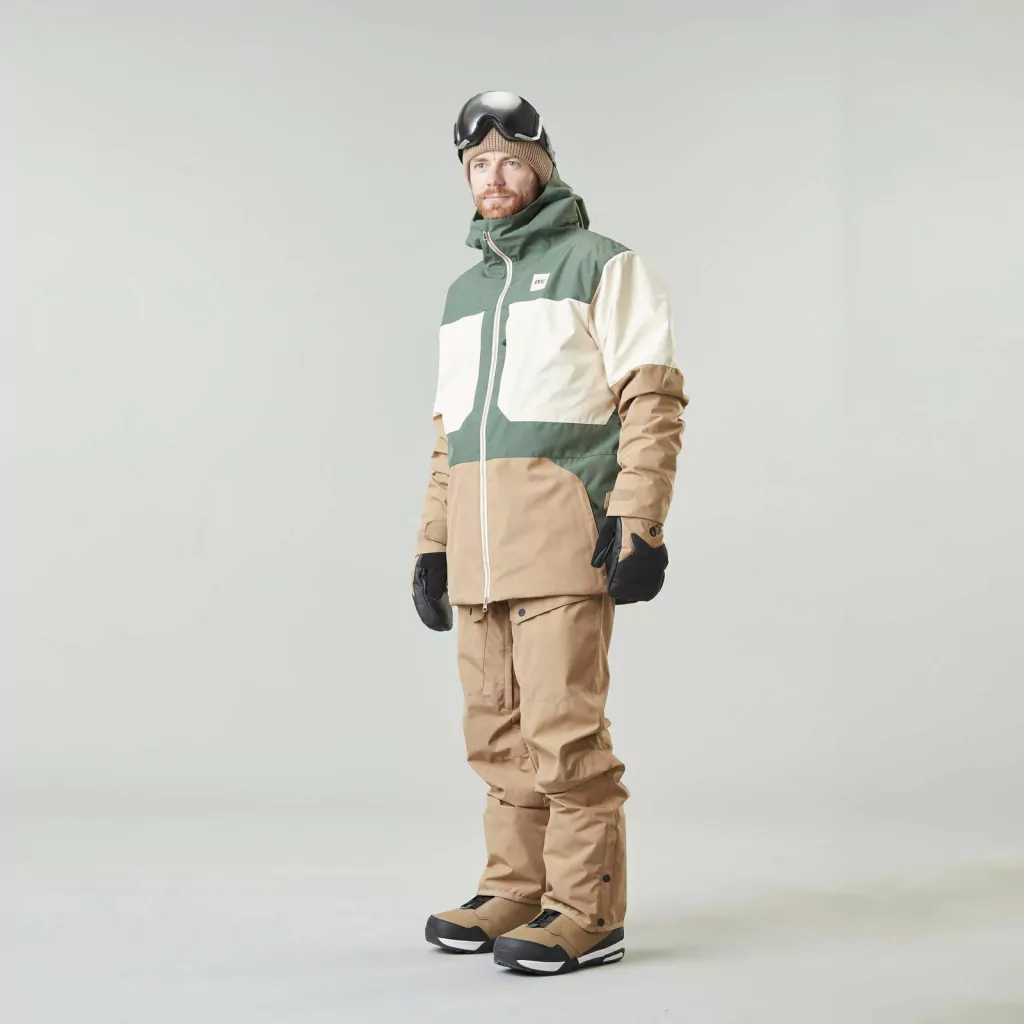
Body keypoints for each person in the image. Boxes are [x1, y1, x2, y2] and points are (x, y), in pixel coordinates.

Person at [412, 91, 689, 976]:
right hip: (479, 552)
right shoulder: (463, 294)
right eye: (478, 164)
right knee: (496, 738)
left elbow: (651, 399)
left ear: (541, 166)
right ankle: (515, 889)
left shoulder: (603, 266)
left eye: (510, 160)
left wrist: (638, 519)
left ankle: (587, 911)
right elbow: (450, 435)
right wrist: (433, 542)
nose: (494, 177)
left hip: (563, 541)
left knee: (565, 736)